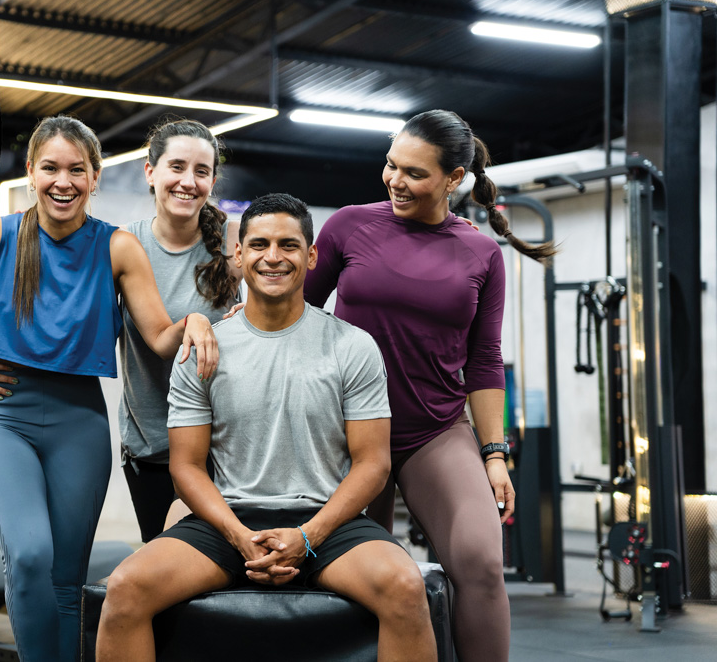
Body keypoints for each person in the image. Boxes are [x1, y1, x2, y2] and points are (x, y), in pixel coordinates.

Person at [0, 115, 218, 662]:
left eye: (76, 170)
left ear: (95, 178)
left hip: (79, 421)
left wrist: (197, 324)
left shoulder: (117, 248)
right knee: (31, 554)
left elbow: (160, 337)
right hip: (4, 417)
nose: (63, 182)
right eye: (50, 169)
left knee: (67, 577)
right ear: (32, 173)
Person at [96, 193, 438, 662]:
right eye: (258, 244)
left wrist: (308, 537)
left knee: (404, 587)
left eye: (288, 245)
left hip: (326, 523)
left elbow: (373, 464)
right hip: (229, 521)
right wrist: (238, 535)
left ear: (311, 256)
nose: (272, 257)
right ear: (239, 255)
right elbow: (187, 468)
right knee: (125, 589)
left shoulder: (352, 347)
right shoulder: (204, 349)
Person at [303, 109, 557, 662]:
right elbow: (292, 314)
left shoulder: (482, 253)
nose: (395, 180)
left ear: (454, 178)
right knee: (356, 580)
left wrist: (494, 453)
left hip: (433, 431)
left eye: (414, 173)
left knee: (482, 564)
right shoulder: (349, 225)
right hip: (344, 431)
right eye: (391, 165)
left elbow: (484, 360)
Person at [119, 119, 241, 543]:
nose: (188, 182)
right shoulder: (123, 246)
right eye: (176, 167)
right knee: (166, 577)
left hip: (224, 448)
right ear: (150, 172)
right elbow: (155, 341)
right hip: (151, 448)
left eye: (202, 171)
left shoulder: (234, 239)